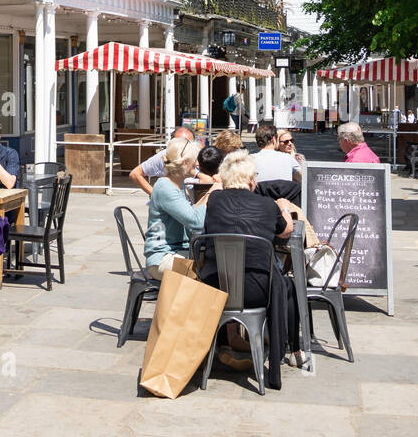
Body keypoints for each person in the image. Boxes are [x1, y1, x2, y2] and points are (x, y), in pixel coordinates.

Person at [198, 148, 303, 379]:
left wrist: (215, 188)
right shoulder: (267, 205)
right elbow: (286, 231)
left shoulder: (214, 200)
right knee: (287, 285)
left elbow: (201, 217)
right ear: (252, 180)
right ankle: (294, 349)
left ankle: (222, 344)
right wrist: (284, 208)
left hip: (216, 287)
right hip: (258, 291)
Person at [143, 137, 220, 278]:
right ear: (185, 163)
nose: (197, 164)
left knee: (216, 266)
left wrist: (210, 191)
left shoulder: (177, 183)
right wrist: (212, 192)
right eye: (194, 160)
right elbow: (196, 222)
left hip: (176, 252)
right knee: (211, 274)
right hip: (163, 258)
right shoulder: (166, 187)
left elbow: (191, 212)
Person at [129, 126, 195, 196]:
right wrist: (155, 195)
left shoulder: (199, 155)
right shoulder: (165, 155)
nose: (184, 146)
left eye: (188, 143)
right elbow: (135, 174)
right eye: (179, 142)